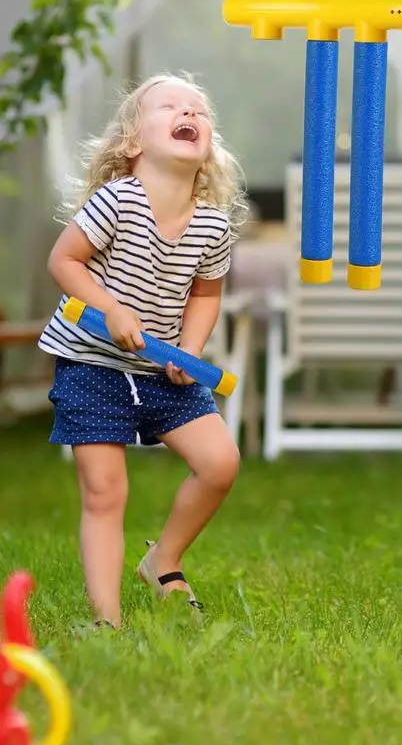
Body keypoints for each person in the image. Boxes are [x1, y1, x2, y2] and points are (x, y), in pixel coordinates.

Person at [39, 73, 248, 628]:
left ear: (208, 146)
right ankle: (108, 621)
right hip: (92, 361)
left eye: (199, 110)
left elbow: (206, 291)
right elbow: (64, 261)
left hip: (161, 367)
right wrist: (110, 306)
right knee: (106, 492)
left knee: (220, 463)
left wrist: (191, 347)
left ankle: (163, 559)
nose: (190, 113)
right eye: (171, 107)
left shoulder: (212, 223)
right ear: (132, 144)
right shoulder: (117, 200)